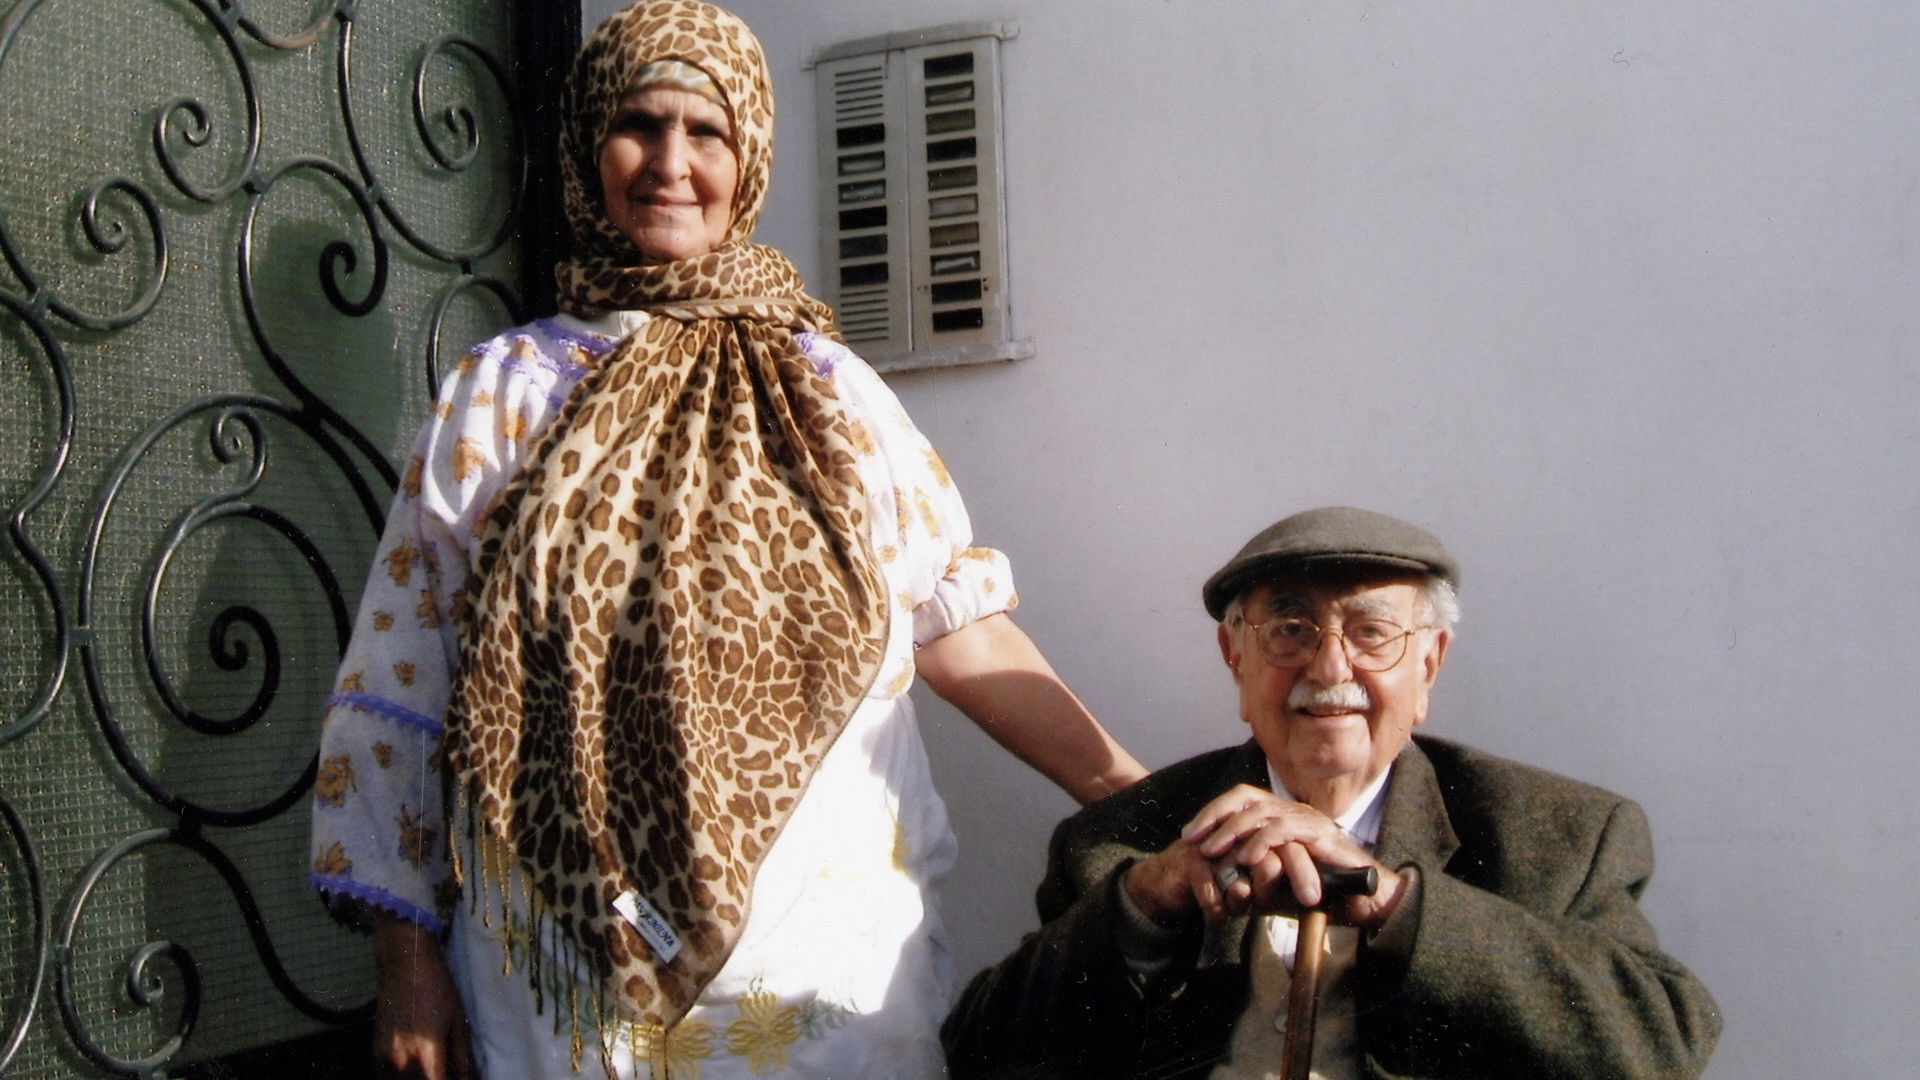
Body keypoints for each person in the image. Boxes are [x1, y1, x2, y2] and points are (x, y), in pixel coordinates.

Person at [307, 3, 1146, 1077]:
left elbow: (957, 627)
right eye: (638, 125)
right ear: (587, 148)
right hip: (568, 971)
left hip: (824, 963)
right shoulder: (503, 395)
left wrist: (1144, 804)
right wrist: (406, 960)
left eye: (707, 131)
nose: (671, 163)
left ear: (747, 161)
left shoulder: (829, 393)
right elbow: (404, 673)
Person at [941, 507, 1721, 1079]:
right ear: (1235, 657)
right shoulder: (1125, 841)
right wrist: (1145, 904)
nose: (1330, 669)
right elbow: (982, 1055)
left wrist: (1394, 905)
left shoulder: (1559, 834)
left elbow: (1664, 1047)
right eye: (1291, 631)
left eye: (1372, 633)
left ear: (1430, 665)